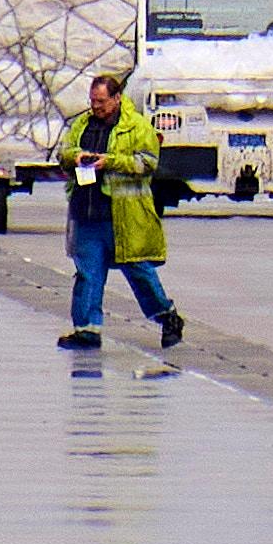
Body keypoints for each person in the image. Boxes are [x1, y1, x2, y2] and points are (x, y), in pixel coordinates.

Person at [61, 80, 184, 352]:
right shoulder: (82, 124)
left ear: (116, 98)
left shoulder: (137, 127)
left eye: (101, 102)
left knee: (139, 271)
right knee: (88, 275)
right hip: (86, 212)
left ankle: (168, 317)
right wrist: (76, 157)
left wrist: (111, 161)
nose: (95, 107)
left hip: (123, 217)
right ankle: (87, 331)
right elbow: (64, 152)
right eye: (92, 101)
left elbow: (148, 163)